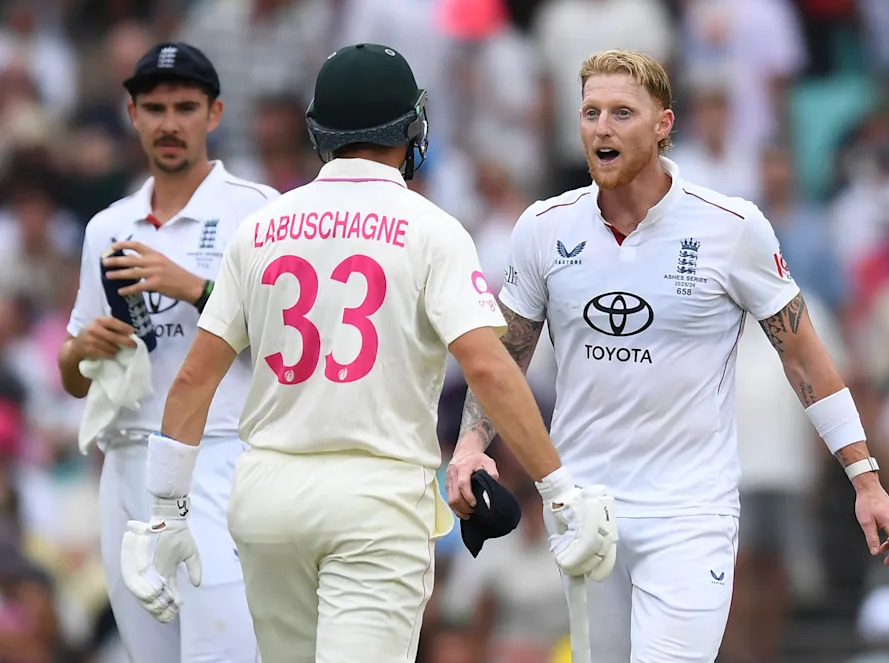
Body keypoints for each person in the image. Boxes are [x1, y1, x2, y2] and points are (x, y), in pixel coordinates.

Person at [118, 43, 617, 663]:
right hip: (375, 500)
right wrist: (559, 488)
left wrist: (165, 510)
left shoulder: (263, 227)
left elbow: (194, 378)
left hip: (267, 496)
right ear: (412, 128)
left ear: (319, 132)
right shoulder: (433, 229)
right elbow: (488, 365)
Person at [446, 48, 889, 663]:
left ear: (663, 125)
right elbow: (506, 355)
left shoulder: (731, 226)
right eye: (589, 112)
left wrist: (865, 480)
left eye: (621, 113)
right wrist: (471, 444)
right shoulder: (543, 227)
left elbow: (803, 357)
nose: (601, 128)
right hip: (582, 506)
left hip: (690, 511)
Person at [58, 42, 279, 662]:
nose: (170, 123)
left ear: (215, 113)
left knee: (224, 650)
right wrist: (82, 350)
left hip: (219, 451)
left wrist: (194, 286)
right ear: (132, 115)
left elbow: (286, 342)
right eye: (154, 108)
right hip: (126, 459)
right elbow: (75, 378)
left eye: (186, 107)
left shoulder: (254, 210)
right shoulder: (109, 226)